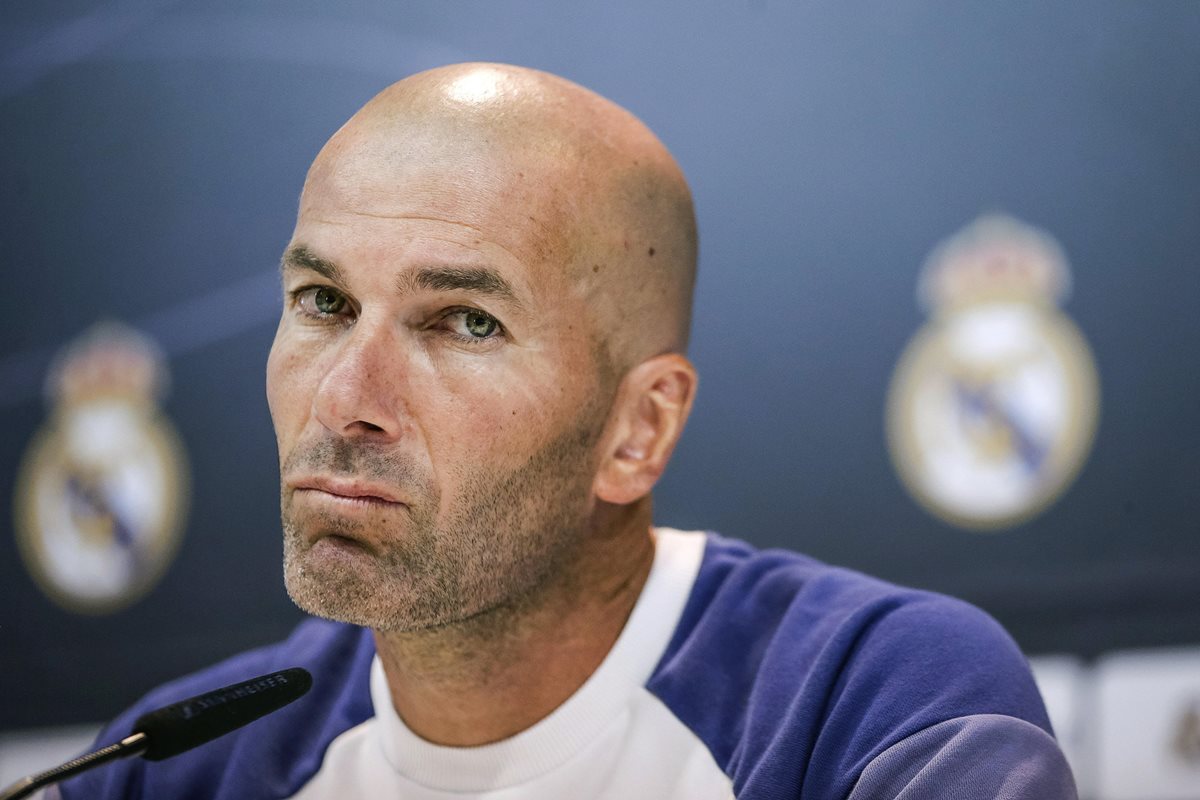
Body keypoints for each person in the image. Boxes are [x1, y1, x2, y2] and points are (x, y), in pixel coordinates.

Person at [55, 63, 1076, 799]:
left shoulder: (867, 706)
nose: (343, 399)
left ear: (638, 429)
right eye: (324, 303)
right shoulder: (169, 766)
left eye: (465, 322)